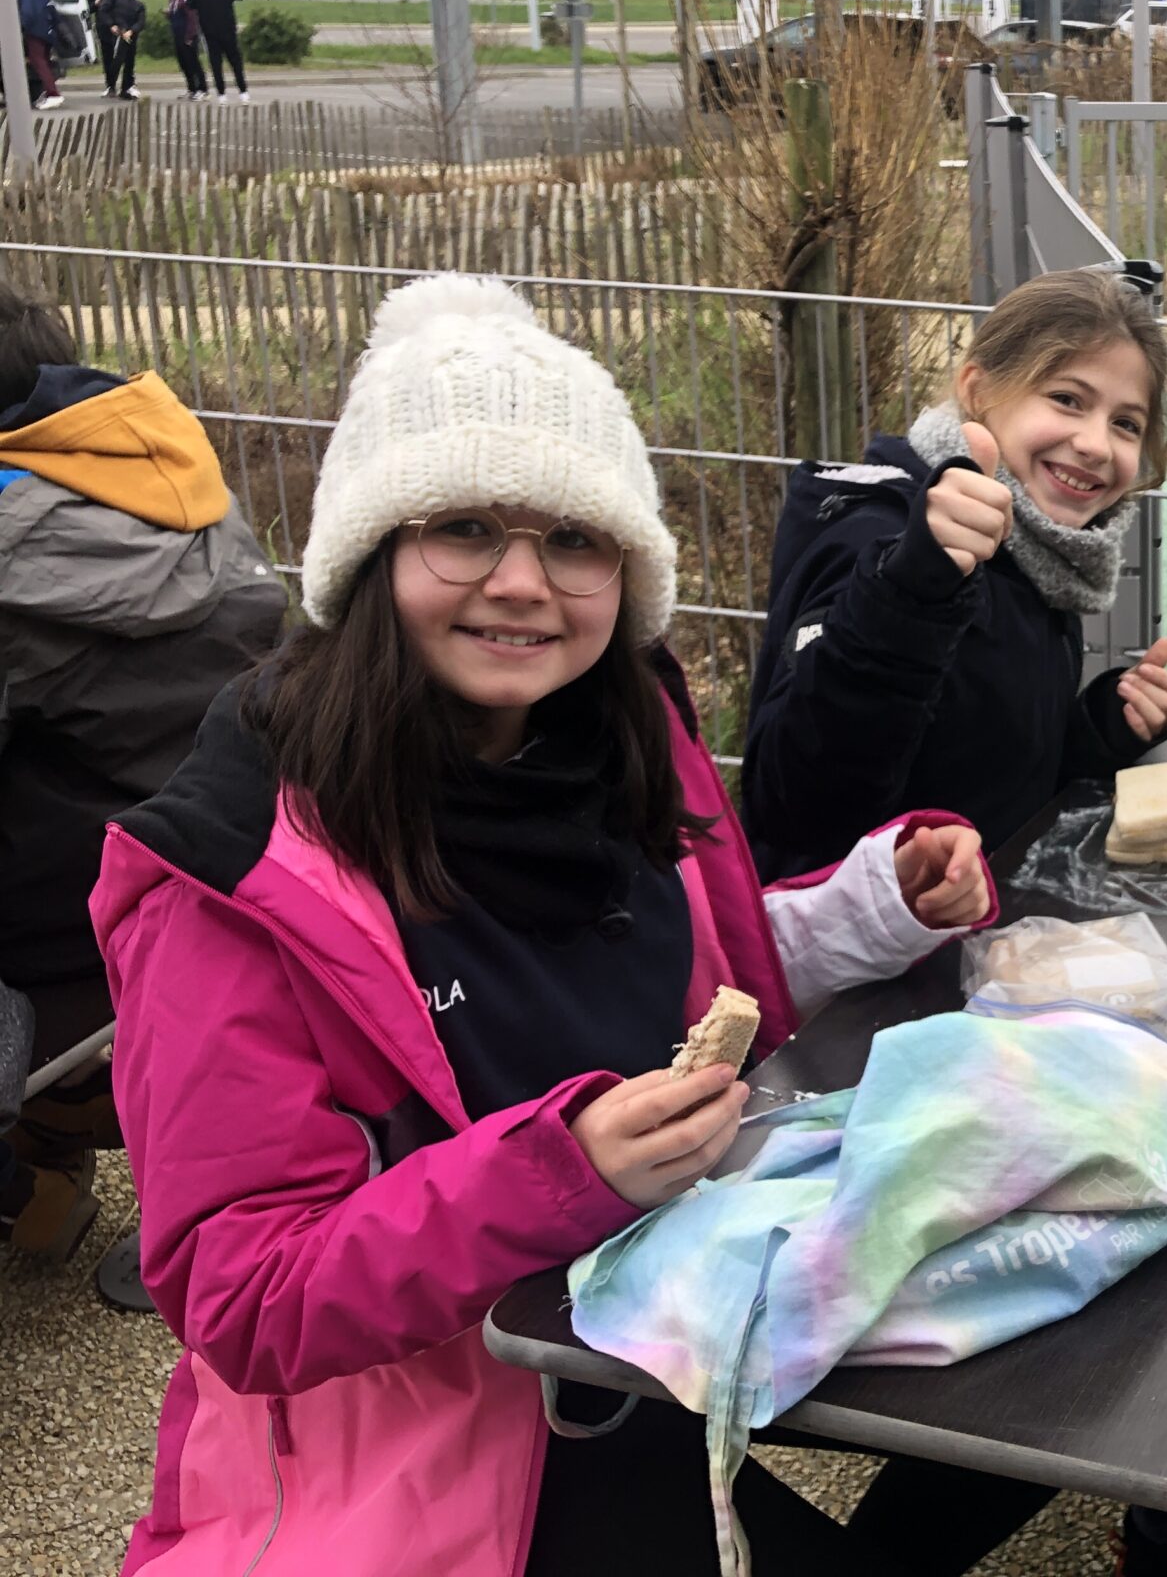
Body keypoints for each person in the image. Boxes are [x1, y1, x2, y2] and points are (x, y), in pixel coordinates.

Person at [98, 274, 1003, 1575]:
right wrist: (558, 1173)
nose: (522, 583)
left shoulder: (622, 741)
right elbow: (243, 1297)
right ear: (372, 553)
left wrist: (874, 905)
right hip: (426, 1468)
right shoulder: (235, 876)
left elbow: (703, 1011)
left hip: (636, 1369)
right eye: (465, 528)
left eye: (575, 539)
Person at [0, 283, 287, 1262]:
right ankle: (49, 1146)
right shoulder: (169, 479)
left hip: (79, 933)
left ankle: (24, 1179)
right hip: (230, 881)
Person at [744, 265, 1167, 881]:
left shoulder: (1034, 553)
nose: (1096, 443)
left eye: (1126, 423)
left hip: (987, 920)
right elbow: (794, 809)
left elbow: (986, 769)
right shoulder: (878, 541)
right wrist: (909, 592)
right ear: (978, 392)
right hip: (869, 939)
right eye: (1067, 399)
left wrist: (1102, 728)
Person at [188, 0, 248, 98]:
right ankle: (243, 92)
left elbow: (190, 3)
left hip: (208, 30)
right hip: (228, 28)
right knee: (235, 61)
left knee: (215, 63)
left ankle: (222, 95)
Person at [13, 0, 63, 109]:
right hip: (48, 29)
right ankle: (47, 92)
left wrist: (21, 27)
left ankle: (53, 94)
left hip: (35, 29)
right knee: (44, 62)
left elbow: (27, 10)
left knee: (38, 61)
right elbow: (53, 10)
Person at [160, 0, 207, 98]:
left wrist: (190, 36)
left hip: (188, 35)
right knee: (184, 63)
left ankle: (203, 89)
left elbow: (192, 18)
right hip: (177, 35)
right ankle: (191, 88)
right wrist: (169, 14)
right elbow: (176, 15)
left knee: (193, 62)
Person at [98, 0, 145, 99]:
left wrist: (132, 31)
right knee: (116, 61)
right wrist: (111, 25)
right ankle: (111, 86)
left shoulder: (138, 4)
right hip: (118, 33)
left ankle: (126, 88)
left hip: (131, 35)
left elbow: (141, 21)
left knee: (129, 62)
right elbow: (103, 11)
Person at [83, 0, 118, 95]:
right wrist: (95, 4)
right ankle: (110, 85)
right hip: (102, 27)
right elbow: (87, 9)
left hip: (115, 26)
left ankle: (126, 83)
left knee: (119, 56)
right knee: (107, 57)